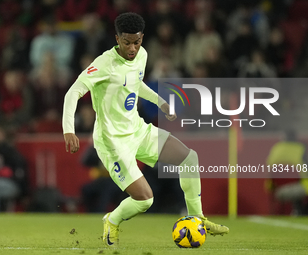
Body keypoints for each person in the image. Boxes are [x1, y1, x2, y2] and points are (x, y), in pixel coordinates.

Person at [62, 12, 229, 247]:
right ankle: (112, 219)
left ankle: (197, 219)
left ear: (142, 38)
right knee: (145, 200)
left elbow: (135, 82)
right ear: (117, 38)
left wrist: (160, 102)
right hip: (113, 142)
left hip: (138, 130)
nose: (132, 48)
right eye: (127, 42)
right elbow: (73, 92)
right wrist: (68, 129)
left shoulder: (142, 55)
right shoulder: (103, 64)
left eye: (137, 41)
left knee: (190, 159)